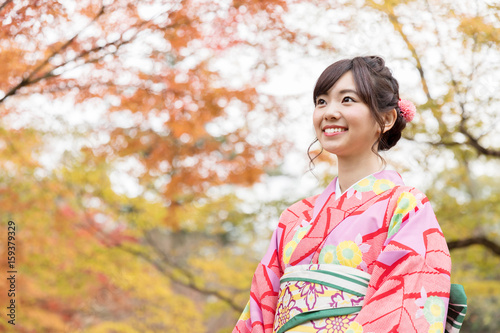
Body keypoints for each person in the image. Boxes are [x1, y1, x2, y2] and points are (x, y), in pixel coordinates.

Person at [233, 56, 466, 333]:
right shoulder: (294, 218)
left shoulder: (406, 207)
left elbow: (405, 308)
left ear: (387, 118)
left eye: (347, 100)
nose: (329, 112)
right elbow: (259, 311)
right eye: (321, 101)